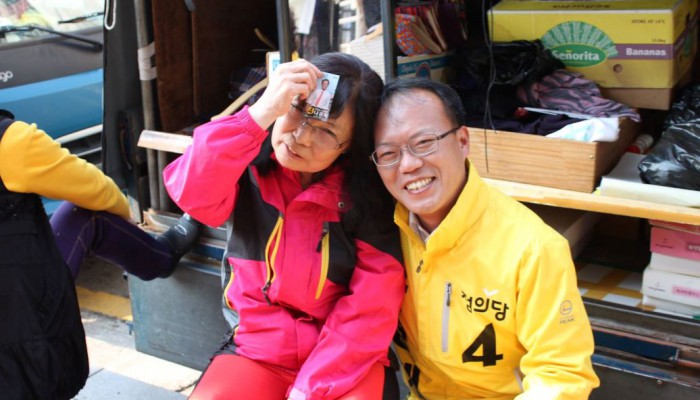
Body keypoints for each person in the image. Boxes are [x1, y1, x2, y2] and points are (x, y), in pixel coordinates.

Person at [162, 52, 405, 400]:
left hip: (345, 360)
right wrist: (259, 114)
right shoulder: (247, 163)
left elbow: (372, 309)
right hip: (257, 349)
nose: (301, 137)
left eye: (326, 131)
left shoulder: (369, 199)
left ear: (352, 145)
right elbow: (192, 195)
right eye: (297, 111)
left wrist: (308, 389)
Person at [371, 78, 600, 399]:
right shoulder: (382, 231)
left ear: (463, 141)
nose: (408, 165)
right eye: (388, 153)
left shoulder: (534, 248)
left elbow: (562, 374)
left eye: (424, 142)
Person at [0, 110, 199, 399]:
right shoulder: (11, 142)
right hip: (20, 334)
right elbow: (94, 187)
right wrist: (125, 214)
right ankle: (161, 256)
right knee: (85, 214)